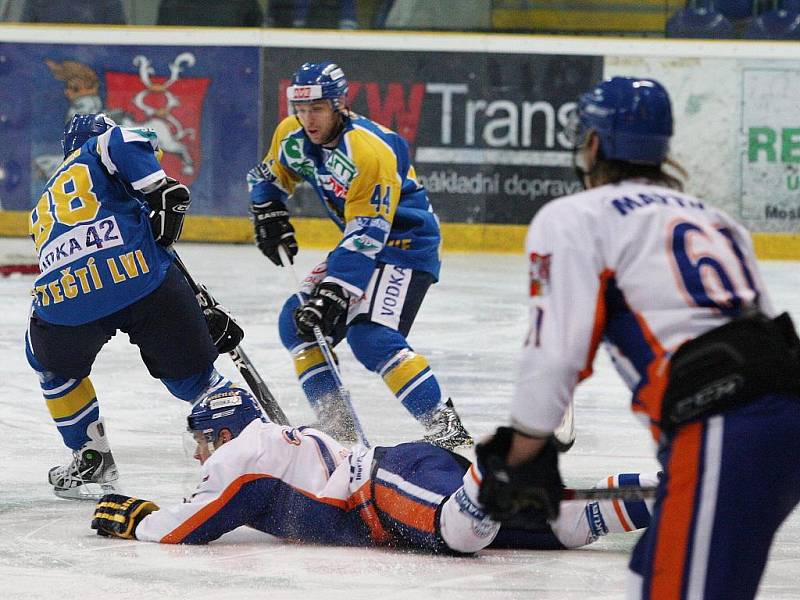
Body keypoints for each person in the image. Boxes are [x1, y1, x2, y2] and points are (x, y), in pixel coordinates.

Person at [474, 77, 800, 599]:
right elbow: (764, 331)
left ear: (596, 143)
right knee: (649, 581)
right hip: (779, 419)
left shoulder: (576, 216)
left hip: (722, 426)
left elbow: (557, 347)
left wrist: (521, 451)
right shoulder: (718, 220)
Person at [90, 386, 658, 553]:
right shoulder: (268, 444)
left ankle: (506, 457)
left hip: (384, 488)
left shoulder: (243, 453)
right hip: (407, 473)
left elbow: (193, 527)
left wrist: (142, 520)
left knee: (460, 536)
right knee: (566, 526)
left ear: (221, 433)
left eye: (200, 442)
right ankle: (680, 490)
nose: (197, 455)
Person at [246, 61, 470, 449]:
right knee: (295, 322)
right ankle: (342, 434)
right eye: (300, 109)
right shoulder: (292, 135)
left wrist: (335, 290)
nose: (307, 119)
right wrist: (267, 210)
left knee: (370, 336)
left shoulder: (371, 151)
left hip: (404, 245)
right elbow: (269, 178)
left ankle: (449, 432)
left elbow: (369, 234)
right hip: (360, 241)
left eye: (316, 109)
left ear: (338, 104)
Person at [26, 113, 242, 500]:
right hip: (143, 281)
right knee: (196, 380)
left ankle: (89, 454)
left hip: (67, 298)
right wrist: (158, 187)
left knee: (50, 364)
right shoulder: (100, 149)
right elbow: (124, 141)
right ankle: (246, 448)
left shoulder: (44, 202)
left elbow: (87, 250)